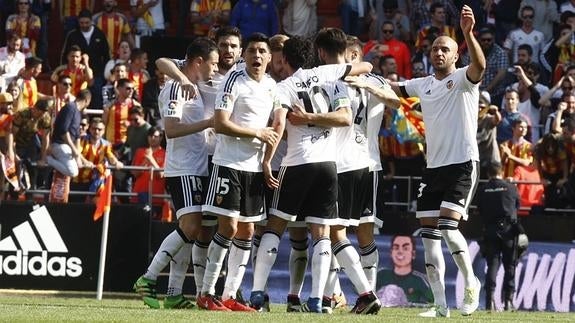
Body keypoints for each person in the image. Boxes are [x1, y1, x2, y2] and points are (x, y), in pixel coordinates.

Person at [249, 32, 376, 314]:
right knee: (322, 233)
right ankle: (318, 300)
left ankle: (257, 294)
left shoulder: (284, 87)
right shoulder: (332, 75)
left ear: (286, 59)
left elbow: (280, 122)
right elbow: (344, 117)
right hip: (328, 166)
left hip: (296, 163)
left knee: (275, 227)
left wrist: (268, 159)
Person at [388, 5, 484, 317]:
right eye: (434, 48)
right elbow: (395, 89)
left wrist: (468, 34)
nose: (438, 52)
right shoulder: (423, 83)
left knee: (447, 226)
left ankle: (471, 284)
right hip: (434, 168)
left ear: (457, 55)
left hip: (462, 164)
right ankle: (440, 305)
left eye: (445, 48)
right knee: (429, 237)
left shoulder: (463, 79)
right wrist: (362, 78)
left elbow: (480, 67)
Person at [133, 37, 218, 309]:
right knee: (190, 227)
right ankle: (148, 278)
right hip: (183, 168)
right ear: (199, 62)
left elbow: (165, 62)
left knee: (191, 230)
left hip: (200, 166)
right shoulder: (175, 88)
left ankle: (173, 293)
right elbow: (170, 129)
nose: (215, 69)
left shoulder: (196, 83)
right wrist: (208, 123)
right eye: (213, 64)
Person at [198, 33, 278, 312]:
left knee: (248, 230)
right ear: (244, 54)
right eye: (252, 51)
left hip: (254, 168)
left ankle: (230, 295)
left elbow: (276, 126)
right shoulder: (233, 80)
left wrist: (267, 159)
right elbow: (220, 124)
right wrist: (257, 132)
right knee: (228, 227)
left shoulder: (271, 86)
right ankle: (207, 292)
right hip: (228, 164)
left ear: (269, 58)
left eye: (262, 51)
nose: (257, 56)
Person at [476, 162, 520, 312]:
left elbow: (479, 210)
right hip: (508, 231)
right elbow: (517, 206)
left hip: (490, 231)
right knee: (510, 266)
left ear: (488, 174)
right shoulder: (511, 187)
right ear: (502, 171)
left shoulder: (482, 189)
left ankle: (489, 301)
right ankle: (508, 301)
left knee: (492, 266)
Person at [375, 235, 433, 306]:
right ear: (391, 253)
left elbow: (433, 301)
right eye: (396, 248)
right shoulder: (381, 274)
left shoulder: (420, 279)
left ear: (413, 254)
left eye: (405, 248)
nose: (400, 252)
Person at [46, 89, 92, 179]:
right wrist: (74, 150)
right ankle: (48, 160)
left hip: (68, 146)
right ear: (87, 100)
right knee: (73, 171)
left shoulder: (78, 113)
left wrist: (82, 159)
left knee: (76, 168)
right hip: (60, 144)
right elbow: (64, 131)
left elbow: (77, 136)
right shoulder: (70, 108)